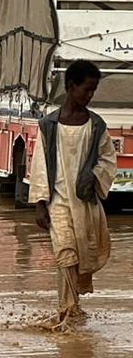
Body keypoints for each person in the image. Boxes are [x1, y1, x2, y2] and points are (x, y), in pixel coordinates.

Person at [28, 60, 118, 322]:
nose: (89, 96)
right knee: (65, 253)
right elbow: (40, 164)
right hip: (58, 203)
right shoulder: (49, 125)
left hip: (85, 205)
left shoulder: (96, 126)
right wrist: (40, 204)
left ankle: (72, 309)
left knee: (80, 257)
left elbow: (107, 159)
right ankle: (67, 311)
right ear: (70, 87)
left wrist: (95, 176)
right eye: (86, 90)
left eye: (93, 91)